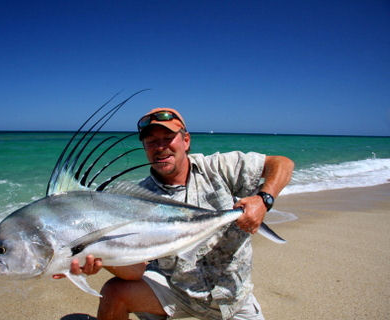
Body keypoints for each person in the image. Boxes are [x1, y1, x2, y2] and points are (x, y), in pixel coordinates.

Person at [54, 107, 294, 320]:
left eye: (168, 138)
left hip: (233, 296)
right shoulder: (136, 198)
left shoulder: (218, 167)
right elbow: (137, 269)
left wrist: (264, 199)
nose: (160, 148)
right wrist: (100, 257)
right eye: (151, 142)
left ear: (186, 140)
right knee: (114, 292)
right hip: (174, 291)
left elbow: (282, 164)